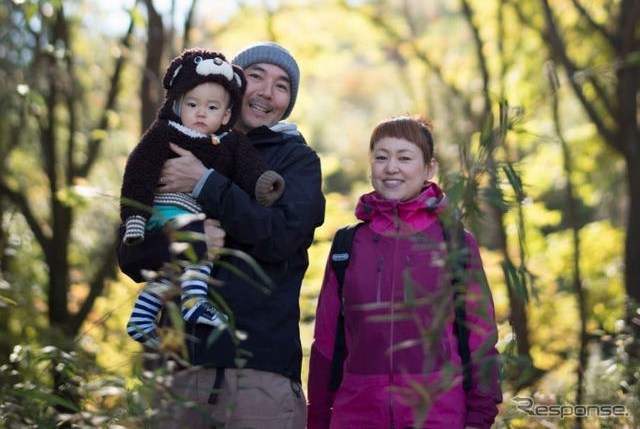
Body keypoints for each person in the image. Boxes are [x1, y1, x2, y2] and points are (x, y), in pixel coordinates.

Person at [117, 41, 325, 429]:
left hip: (258, 371)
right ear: (230, 87)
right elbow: (131, 256)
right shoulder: (172, 146)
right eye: (256, 77)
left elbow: (282, 236)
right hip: (179, 368)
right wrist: (184, 240)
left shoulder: (296, 160)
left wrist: (205, 183)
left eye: (282, 86)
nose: (266, 91)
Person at [307, 115, 502, 429]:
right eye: (381, 157)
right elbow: (326, 342)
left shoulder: (454, 243)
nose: (391, 167)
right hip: (356, 415)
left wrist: (480, 418)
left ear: (429, 169)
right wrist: (317, 418)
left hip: (437, 414)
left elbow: (480, 340)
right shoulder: (348, 244)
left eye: (405, 157)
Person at [120, 48, 284, 346]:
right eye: (193, 104)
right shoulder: (163, 134)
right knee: (193, 248)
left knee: (177, 264)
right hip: (165, 213)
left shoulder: (248, 146)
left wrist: (262, 183)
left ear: (226, 112)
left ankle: (143, 319)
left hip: (257, 344)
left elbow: (276, 225)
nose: (200, 113)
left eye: (211, 108)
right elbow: (138, 173)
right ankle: (193, 301)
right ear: (178, 103)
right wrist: (135, 218)